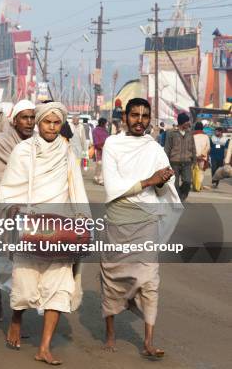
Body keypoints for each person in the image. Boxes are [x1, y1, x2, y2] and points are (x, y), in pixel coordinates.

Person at [0, 101, 87, 365]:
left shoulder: (68, 153)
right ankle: (16, 318)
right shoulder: (23, 151)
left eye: (56, 122)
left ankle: (44, 347)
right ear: (38, 123)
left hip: (61, 229)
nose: (51, 127)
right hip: (30, 226)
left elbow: (76, 189)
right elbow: (9, 187)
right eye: (47, 122)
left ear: (61, 125)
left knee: (59, 288)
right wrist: (13, 210)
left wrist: (81, 222)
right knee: (24, 287)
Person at [101, 97, 182, 358]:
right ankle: (111, 332)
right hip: (118, 220)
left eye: (144, 116)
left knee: (149, 280)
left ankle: (148, 341)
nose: (139, 120)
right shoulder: (112, 145)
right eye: (134, 115)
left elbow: (161, 187)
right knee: (113, 279)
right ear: (124, 117)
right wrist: (150, 180)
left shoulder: (154, 148)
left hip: (147, 220)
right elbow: (113, 187)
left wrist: (162, 181)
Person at [0, 99, 36, 322]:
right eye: (25, 117)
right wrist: (13, 200)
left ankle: (18, 315)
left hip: (33, 206)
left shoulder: (39, 142)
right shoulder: (2, 143)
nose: (30, 122)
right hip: (5, 206)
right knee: (5, 259)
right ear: (14, 120)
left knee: (28, 262)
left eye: (33, 118)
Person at [164, 112, 196, 202]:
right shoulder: (171, 133)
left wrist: (194, 160)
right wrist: (165, 162)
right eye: (187, 121)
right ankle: (177, 199)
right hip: (174, 162)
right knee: (175, 183)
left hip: (187, 162)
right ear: (182, 122)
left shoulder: (190, 133)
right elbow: (167, 148)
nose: (189, 123)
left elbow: (193, 147)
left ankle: (182, 195)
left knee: (187, 181)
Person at [192, 122, 210, 192]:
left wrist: (195, 156)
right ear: (202, 128)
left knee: (193, 171)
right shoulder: (206, 136)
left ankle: (195, 185)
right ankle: (198, 186)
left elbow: (190, 147)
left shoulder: (192, 136)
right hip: (202, 157)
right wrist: (202, 155)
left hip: (193, 157)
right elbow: (208, 147)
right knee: (201, 171)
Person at [92, 118, 109, 185]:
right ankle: (98, 178)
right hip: (98, 149)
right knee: (99, 164)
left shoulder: (105, 130)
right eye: (105, 123)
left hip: (105, 149)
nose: (106, 124)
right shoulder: (95, 130)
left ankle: (99, 178)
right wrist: (100, 146)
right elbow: (95, 140)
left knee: (103, 164)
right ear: (103, 123)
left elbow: (107, 138)